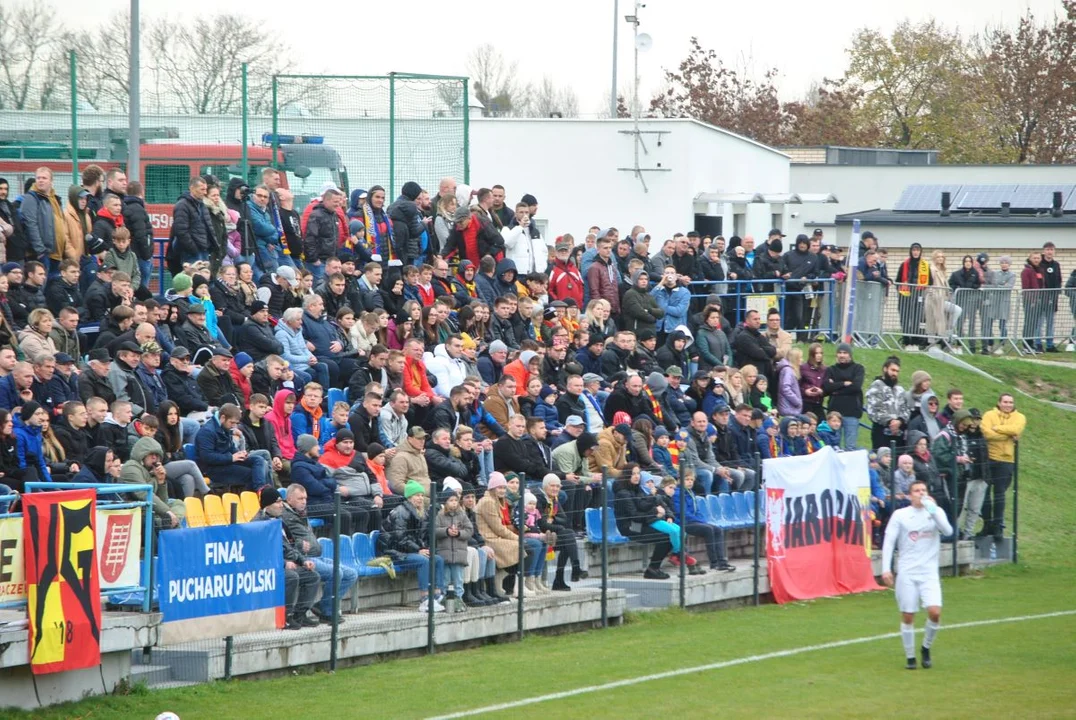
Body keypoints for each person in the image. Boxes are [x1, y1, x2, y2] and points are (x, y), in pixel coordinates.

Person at [881, 479, 952, 670]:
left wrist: (934, 511)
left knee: (935, 612)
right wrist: (885, 569)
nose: (920, 493)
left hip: (929, 572)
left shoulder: (935, 512)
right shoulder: (901, 515)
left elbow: (948, 531)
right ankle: (910, 657)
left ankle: (926, 647)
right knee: (908, 615)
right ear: (909, 495)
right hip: (907, 572)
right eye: (916, 490)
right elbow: (889, 542)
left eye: (923, 490)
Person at [281, 482, 358, 621]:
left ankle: (323, 605)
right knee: (336, 572)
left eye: (305, 498)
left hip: (316, 556)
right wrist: (298, 545)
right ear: (289, 499)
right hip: (303, 559)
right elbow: (284, 542)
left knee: (351, 574)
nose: (304, 502)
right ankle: (328, 612)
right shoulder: (284, 516)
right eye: (300, 499)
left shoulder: (301, 514)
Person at [251, 486, 320, 629]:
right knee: (291, 577)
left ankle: (299, 615)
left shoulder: (278, 521)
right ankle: (284, 617)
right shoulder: (258, 524)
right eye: (277, 502)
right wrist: (283, 563)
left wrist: (302, 560)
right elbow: (260, 554)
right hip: (265, 567)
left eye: (281, 501)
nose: (281, 504)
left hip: (281, 563)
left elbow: (288, 547)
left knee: (312, 576)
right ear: (267, 504)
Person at [380, 480, 446, 612]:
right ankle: (424, 599)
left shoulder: (420, 512)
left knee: (437, 559)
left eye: (422, 495)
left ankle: (437, 595)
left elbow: (422, 535)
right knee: (423, 561)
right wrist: (418, 550)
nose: (420, 498)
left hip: (408, 550)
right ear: (409, 497)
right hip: (393, 551)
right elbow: (400, 538)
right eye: (417, 495)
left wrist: (425, 548)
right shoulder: (400, 512)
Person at [979, 393, 1025, 542]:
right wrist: (1007, 434)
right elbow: (986, 433)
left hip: (1006, 460)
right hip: (989, 458)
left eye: (1010, 402)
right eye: (1005, 402)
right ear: (999, 403)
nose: (1008, 405)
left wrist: (997, 428)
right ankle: (987, 524)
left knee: (999, 494)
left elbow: (1016, 430)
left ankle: (998, 525)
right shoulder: (989, 415)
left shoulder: (1020, 417)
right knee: (984, 493)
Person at [434, 488, 474, 613]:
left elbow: (469, 530)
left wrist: (458, 533)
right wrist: (446, 531)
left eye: (456, 500)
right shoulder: (439, 516)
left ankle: (459, 602)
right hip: (444, 554)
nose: (454, 503)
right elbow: (434, 531)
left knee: (458, 581)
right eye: (451, 500)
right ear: (445, 502)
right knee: (445, 580)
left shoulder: (462, 515)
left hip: (459, 555)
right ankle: (446, 602)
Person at [865, 356, 909, 452]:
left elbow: (906, 409)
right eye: (892, 370)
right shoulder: (876, 386)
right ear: (885, 369)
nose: (895, 373)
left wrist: (900, 421)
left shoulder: (900, 390)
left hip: (898, 435)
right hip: (881, 433)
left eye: (897, 371)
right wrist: (891, 422)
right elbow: (874, 410)